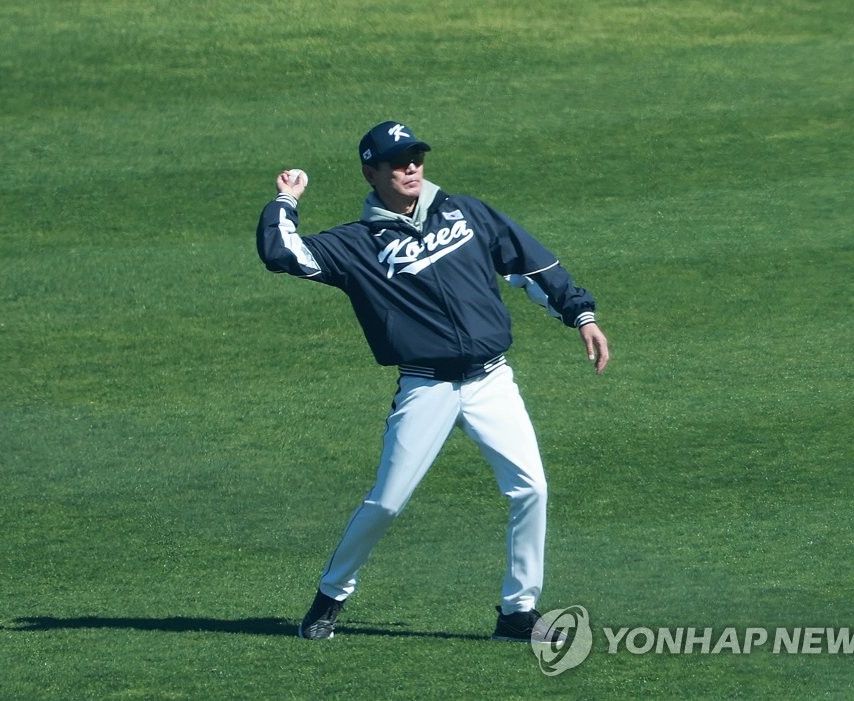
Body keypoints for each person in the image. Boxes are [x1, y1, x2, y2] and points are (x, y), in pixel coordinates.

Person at [255, 121, 609, 641]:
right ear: (370, 172)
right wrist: (285, 201)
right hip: (427, 387)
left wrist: (581, 314)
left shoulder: (465, 210)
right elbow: (283, 254)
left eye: (416, 156)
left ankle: (518, 613)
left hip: (492, 381)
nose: (411, 167)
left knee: (531, 487)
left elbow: (529, 262)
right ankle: (331, 595)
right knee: (387, 501)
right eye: (398, 162)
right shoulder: (355, 245)